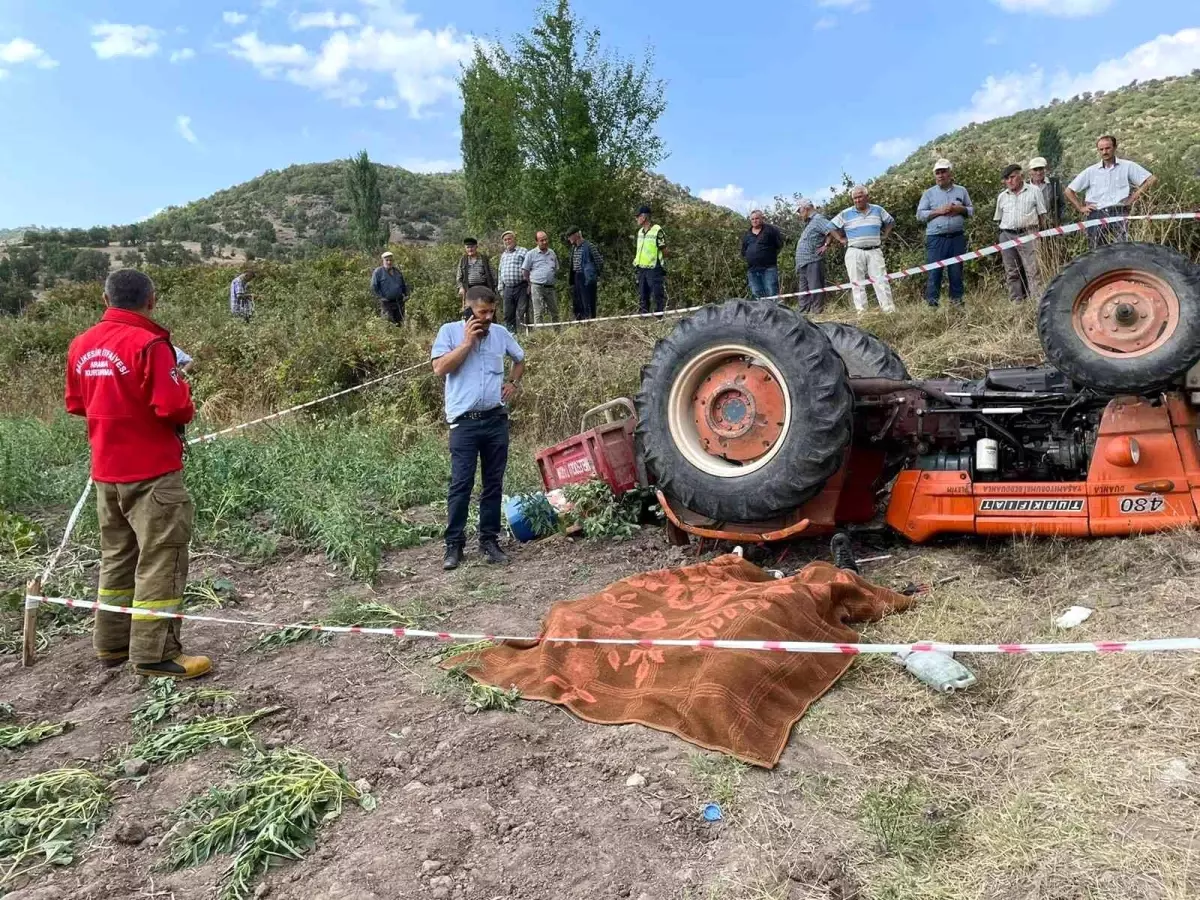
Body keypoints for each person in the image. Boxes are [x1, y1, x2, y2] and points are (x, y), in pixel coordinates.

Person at [64, 269, 210, 679]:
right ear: (152, 299)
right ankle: (155, 653)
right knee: (162, 558)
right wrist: (181, 384)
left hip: (107, 473)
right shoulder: (150, 343)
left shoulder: (81, 344)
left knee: (117, 557)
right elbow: (173, 408)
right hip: (153, 474)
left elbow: (77, 404)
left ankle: (111, 645)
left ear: (105, 298)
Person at [431, 286, 526, 570]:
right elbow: (439, 369)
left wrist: (513, 383)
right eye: (482, 312)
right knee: (461, 484)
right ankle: (454, 545)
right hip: (464, 423)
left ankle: (489, 541)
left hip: (496, 419)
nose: (487, 317)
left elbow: (520, 359)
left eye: (491, 311)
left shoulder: (500, 334)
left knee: (493, 483)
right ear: (467, 307)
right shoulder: (449, 332)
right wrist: (467, 343)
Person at [1065, 135, 1156, 248]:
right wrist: (1081, 208)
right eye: (1101, 149)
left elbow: (1151, 179)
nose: (1104, 152)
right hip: (1096, 213)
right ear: (1098, 150)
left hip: (1119, 211)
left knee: (1123, 248)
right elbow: (1069, 191)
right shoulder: (1091, 171)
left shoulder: (1127, 166)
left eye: (1107, 148)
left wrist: (1134, 197)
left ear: (1115, 147)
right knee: (1096, 250)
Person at [829, 186, 896, 314]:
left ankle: (889, 311)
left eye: (860, 197)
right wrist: (840, 239)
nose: (857, 200)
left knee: (881, 280)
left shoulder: (878, 210)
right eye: (855, 198)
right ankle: (862, 313)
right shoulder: (846, 213)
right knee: (857, 283)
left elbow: (890, 221)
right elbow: (831, 226)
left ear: (867, 197)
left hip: (874, 250)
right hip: (854, 251)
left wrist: (886, 234)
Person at [916, 159, 973, 307]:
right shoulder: (928, 194)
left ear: (950, 173)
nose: (940, 175)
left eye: (943, 172)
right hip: (936, 239)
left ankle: (957, 304)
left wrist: (959, 209)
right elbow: (920, 215)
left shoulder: (961, 191)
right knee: (934, 273)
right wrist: (938, 211)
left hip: (957, 238)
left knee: (956, 273)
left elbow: (971, 210)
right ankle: (932, 306)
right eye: (938, 173)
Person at [993, 164, 1047, 302]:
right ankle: (1016, 301)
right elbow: (998, 219)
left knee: (1033, 269)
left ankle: (1036, 301)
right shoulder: (1002, 196)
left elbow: (1042, 215)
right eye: (1006, 179)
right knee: (1012, 271)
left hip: (1029, 233)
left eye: (1012, 177)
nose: (1009, 181)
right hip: (1007, 234)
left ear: (1020, 176)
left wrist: (1038, 234)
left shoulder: (1034, 191)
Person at [794, 199, 835, 314]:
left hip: (813, 259)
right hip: (803, 262)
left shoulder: (818, 219)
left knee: (815, 288)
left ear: (806, 208)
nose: (799, 213)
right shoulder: (809, 222)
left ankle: (817, 313)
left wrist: (826, 245)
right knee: (803, 291)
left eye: (799, 210)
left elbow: (831, 230)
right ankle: (803, 314)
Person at [740, 210, 784, 300]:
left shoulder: (771, 230)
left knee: (772, 293)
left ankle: (774, 313)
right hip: (752, 270)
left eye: (757, 218)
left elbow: (779, 245)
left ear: (762, 219)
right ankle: (760, 314)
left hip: (769, 268)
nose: (754, 221)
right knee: (756, 294)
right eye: (752, 219)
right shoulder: (747, 234)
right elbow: (744, 251)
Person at [633, 205, 667, 315]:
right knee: (643, 296)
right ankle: (644, 318)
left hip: (653, 268)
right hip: (641, 268)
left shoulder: (657, 231)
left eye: (638, 216)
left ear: (644, 217)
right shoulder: (640, 232)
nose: (636, 218)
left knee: (657, 295)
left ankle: (659, 318)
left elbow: (664, 250)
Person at [565, 227, 604, 320]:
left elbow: (600, 261)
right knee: (578, 304)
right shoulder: (574, 248)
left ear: (577, 235)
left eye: (570, 236)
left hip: (587, 278)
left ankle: (590, 324)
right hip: (577, 277)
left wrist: (594, 274)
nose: (569, 239)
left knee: (588, 304)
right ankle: (580, 325)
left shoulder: (589, 246)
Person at [521, 231, 560, 324]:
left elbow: (556, 268)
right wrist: (530, 283)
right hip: (537, 286)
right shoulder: (531, 254)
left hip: (550, 287)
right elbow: (525, 271)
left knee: (555, 311)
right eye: (542, 240)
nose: (545, 242)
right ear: (537, 242)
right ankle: (539, 334)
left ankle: (557, 333)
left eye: (546, 239)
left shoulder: (552, 253)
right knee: (538, 312)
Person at [498, 231, 530, 331]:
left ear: (514, 239)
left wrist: (530, 284)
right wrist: (500, 288)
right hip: (507, 288)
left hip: (521, 287)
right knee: (508, 314)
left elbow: (530, 268)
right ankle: (511, 335)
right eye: (505, 240)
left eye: (509, 239)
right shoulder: (503, 255)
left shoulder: (523, 251)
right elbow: (500, 271)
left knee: (522, 312)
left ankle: (525, 335)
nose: (508, 241)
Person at [370, 250, 408, 326]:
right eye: (387, 260)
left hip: (399, 302)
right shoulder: (378, 272)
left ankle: (399, 337)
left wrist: (406, 295)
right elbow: (374, 286)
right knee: (388, 323)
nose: (389, 262)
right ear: (383, 261)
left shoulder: (397, 271)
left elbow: (403, 284)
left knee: (399, 323)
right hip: (386, 303)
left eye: (390, 260)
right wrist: (381, 297)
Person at [1027, 156, 1064, 226]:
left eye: (1041, 169)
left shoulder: (1054, 183)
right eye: (1035, 170)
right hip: (1032, 226)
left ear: (1045, 169)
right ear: (1030, 171)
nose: (1038, 173)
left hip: (1052, 224)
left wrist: (1059, 220)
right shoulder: (1025, 187)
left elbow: (1061, 204)